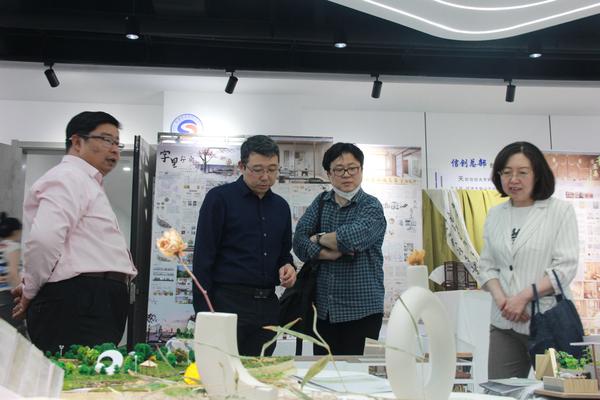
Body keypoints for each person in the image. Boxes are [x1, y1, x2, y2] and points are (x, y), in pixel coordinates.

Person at [11, 111, 137, 353]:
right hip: (79, 298)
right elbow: (45, 240)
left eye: (117, 143)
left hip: (93, 297)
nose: (115, 150)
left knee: (90, 371)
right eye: (106, 140)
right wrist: (30, 290)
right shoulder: (67, 176)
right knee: (73, 373)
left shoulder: (86, 182)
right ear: (77, 142)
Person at [478, 141, 579, 379]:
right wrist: (504, 302)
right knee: (501, 391)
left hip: (549, 319)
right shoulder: (495, 214)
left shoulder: (559, 211)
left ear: (537, 174)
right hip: (504, 323)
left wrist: (522, 298)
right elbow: (486, 265)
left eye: (522, 172)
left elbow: (564, 267)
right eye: (506, 172)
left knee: (557, 388)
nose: (514, 179)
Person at [192, 135, 297, 356]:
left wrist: (288, 267)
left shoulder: (281, 207)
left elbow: (283, 254)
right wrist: (205, 313)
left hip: (267, 307)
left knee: (260, 371)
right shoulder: (219, 199)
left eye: (272, 169)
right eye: (257, 169)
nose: (265, 176)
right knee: (222, 369)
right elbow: (203, 260)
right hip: (227, 303)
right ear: (242, 166)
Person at [293, 142, 386, 355]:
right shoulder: (321, 202)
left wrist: (317, 237)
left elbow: (351, 239)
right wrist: (324, 253)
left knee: (358, 372)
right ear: (329, 174)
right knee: (324, 371)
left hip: (363, 310)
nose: (346, 175)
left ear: (361, 170)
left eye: (352, 168)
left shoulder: (371, 206)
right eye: (339, 169)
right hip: (324, 311)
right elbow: (298, 241)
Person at [0, 212, 24, 331]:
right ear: (16, 232)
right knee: (16, 331)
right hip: (7, 295)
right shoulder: (13, 246)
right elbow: (13, 273)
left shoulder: (1, 246)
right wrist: (21, 294)